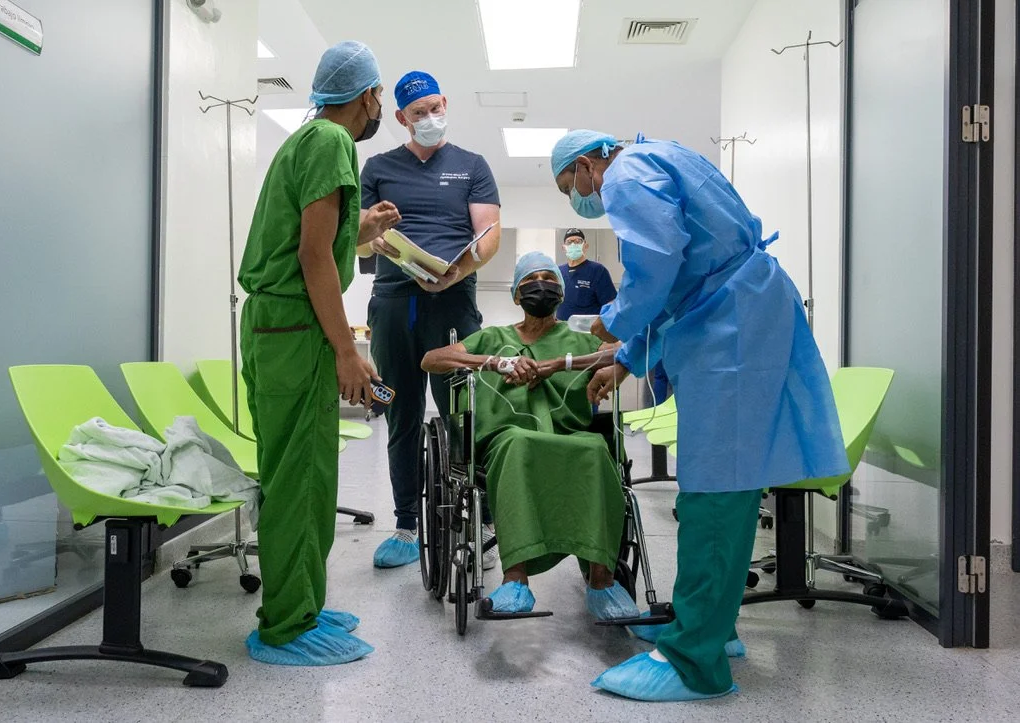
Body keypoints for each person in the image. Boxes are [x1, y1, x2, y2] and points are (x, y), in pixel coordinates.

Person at [549, 130, 848, 701]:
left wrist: (612, 321)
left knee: (716, 488)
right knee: (718, 486)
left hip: (731, 329)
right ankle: (713, 626)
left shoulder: (628, 174)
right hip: (730, 315)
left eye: (574, 188)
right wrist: (627, 361)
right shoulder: (661, 156)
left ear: (588, 165)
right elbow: (679, 289)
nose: (582, 201)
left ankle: (694, 661)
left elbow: (654, 272)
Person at [237, 41, 402, 667]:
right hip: (296, 332)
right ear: (366, 96)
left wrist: (362, 230)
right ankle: (284, 625)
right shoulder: (333, 143)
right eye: (380, 96)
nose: (380, 106)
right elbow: (311, 258)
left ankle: (301, 602)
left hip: (279, 328)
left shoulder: (304, 141)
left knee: (305, 475)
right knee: (298, 480)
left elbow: (309, 240)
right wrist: (346, 352)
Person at [420, 252, 637, 620]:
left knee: (598, 449)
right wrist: (493, 361)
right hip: (509, 437)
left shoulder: (579, 340)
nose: (542, 287)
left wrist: (578, 365)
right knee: (518, 446)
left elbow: (623, 351)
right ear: (517, 295)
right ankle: (515, 579)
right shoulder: (493, 337)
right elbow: (432, 359)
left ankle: (601, 582)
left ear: (562, 293)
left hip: (571, 436)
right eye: (531, 280)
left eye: (550, 280)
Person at [360, 70, 502, 569]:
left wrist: (455, 271)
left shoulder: (471, 166)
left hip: (453, 301)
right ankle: (404, 523)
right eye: (417, 113)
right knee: (399, 410)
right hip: (394, 300)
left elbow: (488, 234)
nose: (428, 119)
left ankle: (478, 519)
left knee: (462, 412)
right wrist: (373, 237)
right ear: (401, 118)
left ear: (447, 103)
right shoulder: (378, 166)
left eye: (434, 108)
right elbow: (354, 238)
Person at [555, 228, 617, 321]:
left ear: (586, 246)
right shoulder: (558, 271)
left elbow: (610, 304)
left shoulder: (597, 270)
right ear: (563, 248)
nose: (573, 245)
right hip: (562, 329)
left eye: (578, 241)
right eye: (569, 242)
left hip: (587, 331)